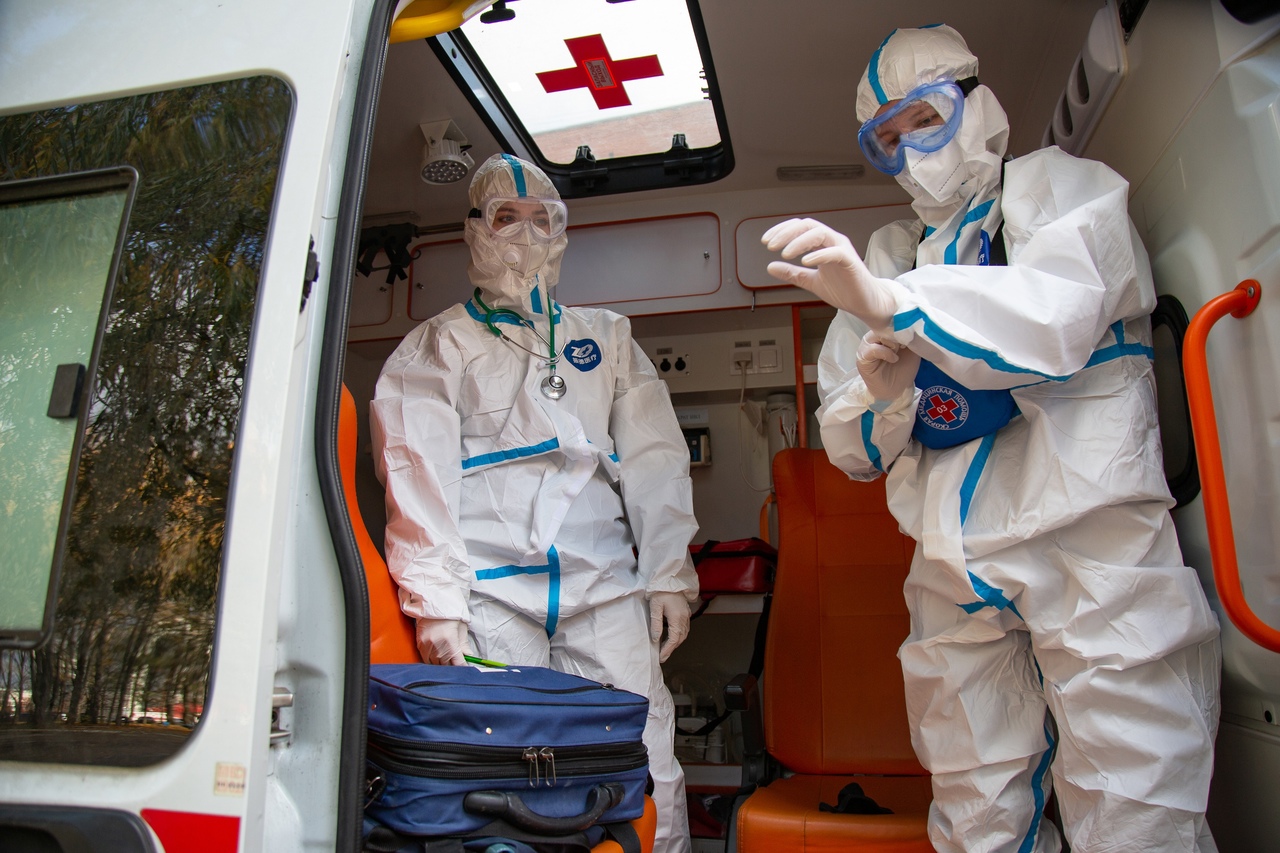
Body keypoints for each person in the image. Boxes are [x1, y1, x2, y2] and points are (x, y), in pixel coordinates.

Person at [761, 24, 1221, 853]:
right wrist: (885, 397)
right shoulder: (889, 253)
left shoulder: (1060, 190)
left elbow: (1058, 314)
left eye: (926, 117)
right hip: (951, 568)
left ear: (976, 102)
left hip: (1087, 544)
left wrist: (900, 306)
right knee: (974, 809)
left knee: (1136, 798)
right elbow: (852, 448)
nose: (912, 152)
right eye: (886, 140)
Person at [370, 153, 699, 853]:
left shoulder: (606, 338)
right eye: (505, 218)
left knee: (645, 757)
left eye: (540, 219)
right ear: (474, 230)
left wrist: (669, 573)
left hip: (604, 586)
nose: (524, 234)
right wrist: (438, 603)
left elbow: (655, 462)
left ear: (561, 230)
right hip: (490, 593)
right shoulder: (438, 346)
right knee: (504, 768)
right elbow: (416, 474)